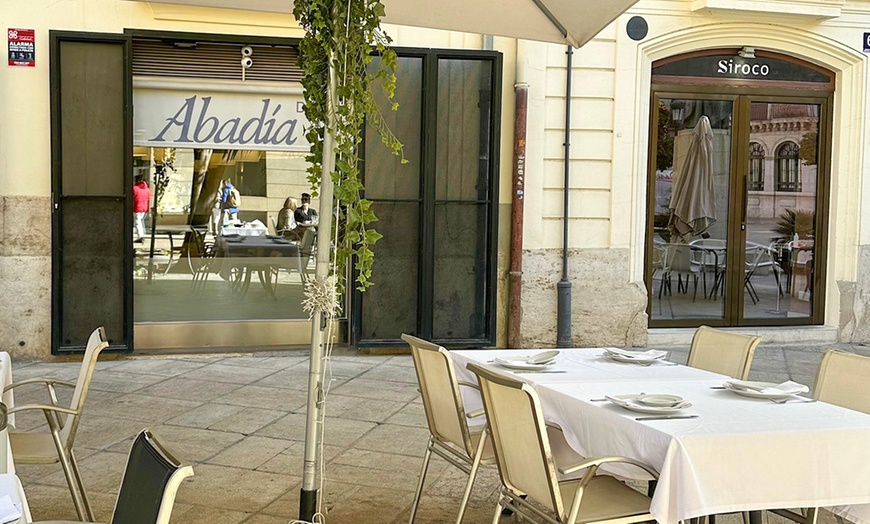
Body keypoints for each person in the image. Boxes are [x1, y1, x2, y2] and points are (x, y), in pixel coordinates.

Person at [132, 175, 151, 243]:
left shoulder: (134, 188)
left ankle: (140, 236)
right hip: (144, 208)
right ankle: (142, 234)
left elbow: (132, 198)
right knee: (141, 221)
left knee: (138, 222)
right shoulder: (147, 189)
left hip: (137, 207)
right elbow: (148, 199)